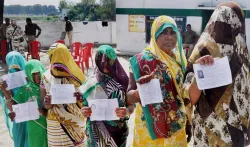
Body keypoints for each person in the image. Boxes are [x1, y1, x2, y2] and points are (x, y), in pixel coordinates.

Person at [185, 2, 250, 147]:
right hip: (209, 129)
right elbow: (189, 98)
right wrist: (200, 74)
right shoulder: (203, 50)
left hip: (236, 129)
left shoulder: (241, 51)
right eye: (224, 19)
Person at [127, 16, 192, 147]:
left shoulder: (181, 60)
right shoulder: (142, 60)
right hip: (149, 129)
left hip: (176, 126)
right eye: (163, 32)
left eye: (172, 32)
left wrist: (189, 122)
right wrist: (138, 93)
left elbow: (184, 95)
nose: (169, 37)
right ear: (154, 34)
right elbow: (128, 98)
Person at [81, 45, 133, 147]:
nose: (104, 65)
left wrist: (126, 111)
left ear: (114, 60)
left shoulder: (123, 81)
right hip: (95, 135)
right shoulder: (90, 82)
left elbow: (131, 106)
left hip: (117, 134)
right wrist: (84, 111)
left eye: (108, 61)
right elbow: (84, 106)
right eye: (100, 60)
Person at [41, 43, 86, 147]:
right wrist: (47, 104)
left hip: (75, 124)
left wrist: (80, 98)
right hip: (55, 124)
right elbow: (43, 103)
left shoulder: (77, 76)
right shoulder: (46, 77)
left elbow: (87, 100)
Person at [11, 59, 48, 147]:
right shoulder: (25, 89)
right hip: (34, 125)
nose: (37, 77)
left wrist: (45, 111)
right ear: (28, 73)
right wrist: (15, 113)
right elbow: (15, 107)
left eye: (38, 73)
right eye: (33, 74)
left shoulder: (49, 86)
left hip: (49, 123)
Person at [0, 51, 29, 147]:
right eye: (11, 63)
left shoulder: (31, 75)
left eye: (17, 62)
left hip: (32, 114)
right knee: (20, 140)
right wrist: (5, 91)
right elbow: (10, 105)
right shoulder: (7, 81)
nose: (14, 65)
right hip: (19, 116)